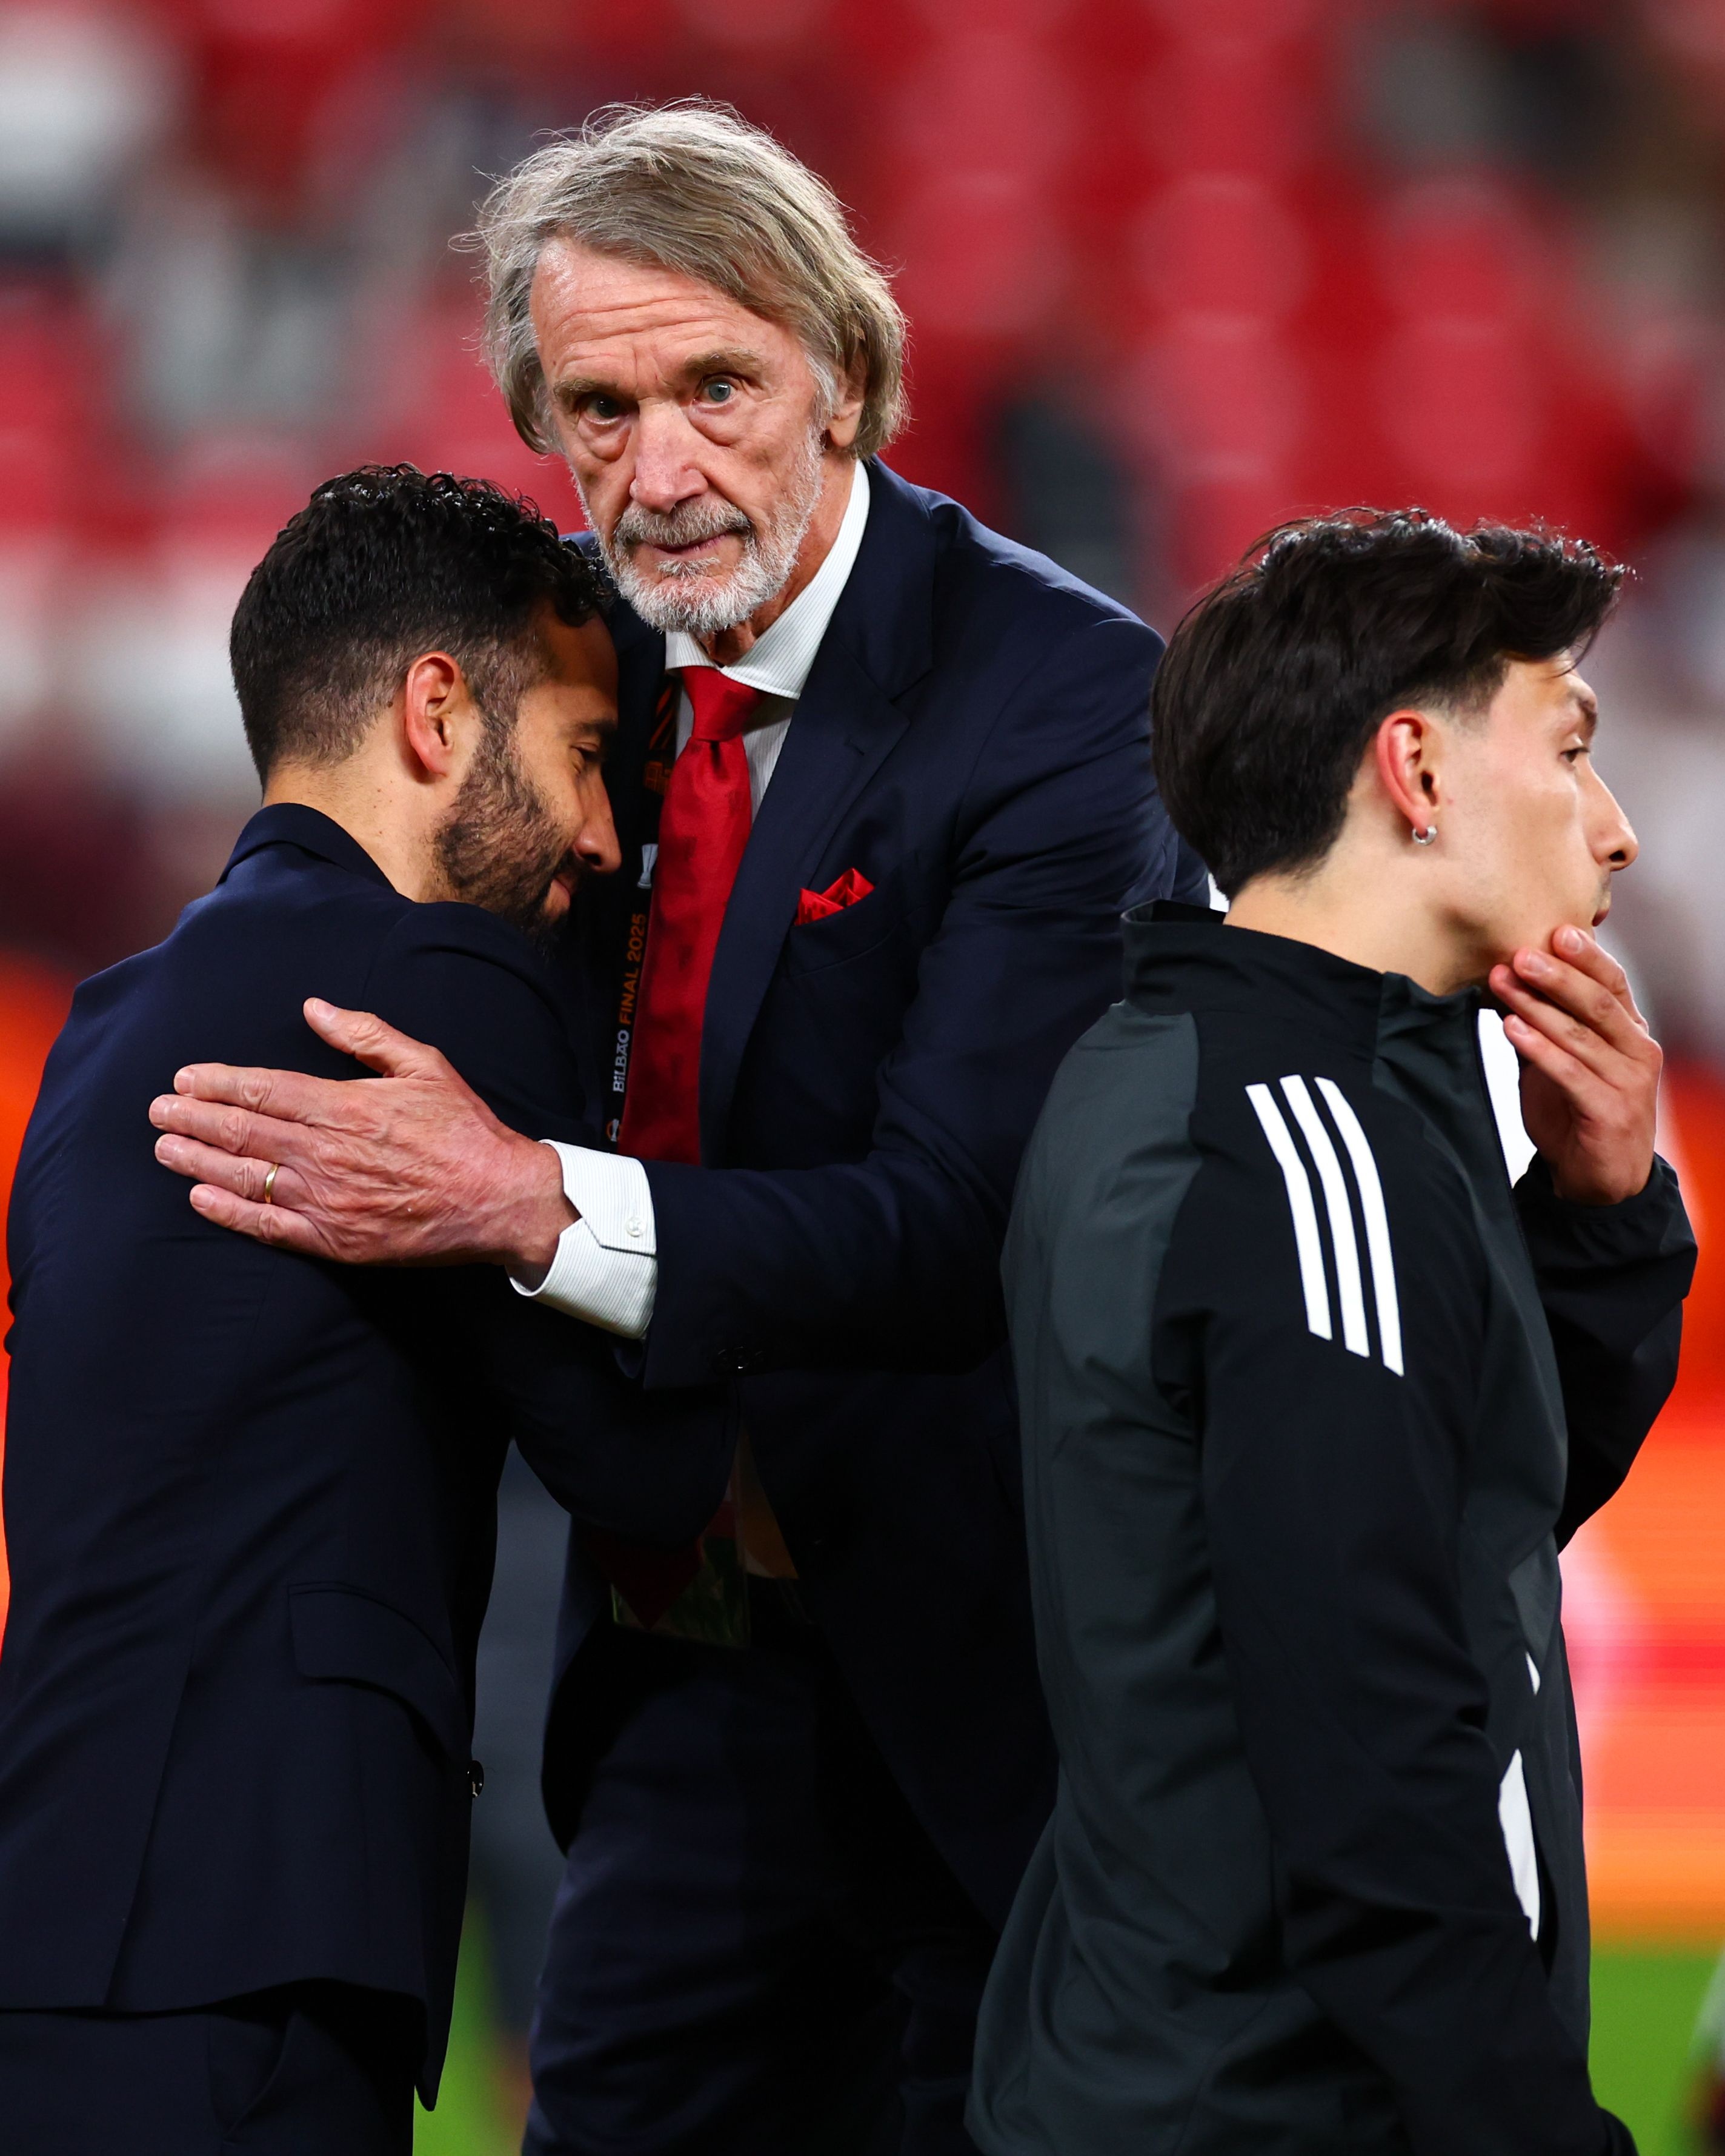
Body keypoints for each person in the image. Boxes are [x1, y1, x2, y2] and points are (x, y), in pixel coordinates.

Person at [146, 101, 1203, 2154]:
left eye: (719, 388)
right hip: (678, 1661)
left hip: (987, 1675)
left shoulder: (1062, 699)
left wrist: (529, 1204)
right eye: (601, 410)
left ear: (848, 378)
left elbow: (958, 1220)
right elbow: (353, 946)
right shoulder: (564, 676)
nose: (661, 469)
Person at [0, 465, 733, 2155]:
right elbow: (647, 1469)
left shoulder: (97, 1030)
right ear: (436, 713)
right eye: (582, 755)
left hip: (52, 1913)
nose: (602, 837)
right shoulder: (441, 986)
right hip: (260, 1942)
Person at [968, 509, 1697, 2156]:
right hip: (1273, 2108)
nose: (1616, 831)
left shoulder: (1223, 1077)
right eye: (1570, 749)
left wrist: (1597, 1219)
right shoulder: (1307, 1148)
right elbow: (1372, 1761)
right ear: (1416, 772)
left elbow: (1459, 1531)